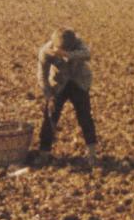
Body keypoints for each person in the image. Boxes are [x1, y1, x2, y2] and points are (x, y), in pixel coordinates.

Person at [36, 27, 98, 167]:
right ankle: (44, 153)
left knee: (84, 116)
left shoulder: (78, 43)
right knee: (50, 115)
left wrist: (67, 54)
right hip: (59, 84)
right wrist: (49, 96)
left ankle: (92, 154)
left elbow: (87, 54)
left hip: (79, 82)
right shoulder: (46, 51)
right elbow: (42, 76)